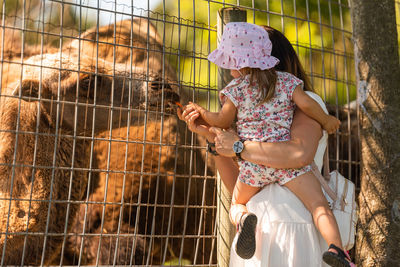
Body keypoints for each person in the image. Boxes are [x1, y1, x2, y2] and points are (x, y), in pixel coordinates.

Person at [178, 24, 355, 267]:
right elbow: (234, 183)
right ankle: (336, 248)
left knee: (239, 206)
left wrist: (239, 146)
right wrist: (212, 137)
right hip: (258, 237)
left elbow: (299, 154)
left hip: (294, 229)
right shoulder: (249, 109)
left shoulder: (305, 101)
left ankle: (243, 218)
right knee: (313, 205)